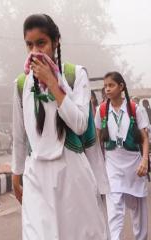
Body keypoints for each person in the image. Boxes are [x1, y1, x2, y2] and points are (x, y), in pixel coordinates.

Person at [11, 14, 109, 239]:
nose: (35, 50)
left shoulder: (75, 75)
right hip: (36, 176)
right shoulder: (20, 84)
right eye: (29, 45)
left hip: (72, 174)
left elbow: (81, 124)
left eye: (41, 43)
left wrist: (54, 83)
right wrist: (16, 174)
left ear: (56, 42)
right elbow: (19, 136)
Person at [95, 72, 150, 240]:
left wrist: (144, 160)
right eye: (105, 86)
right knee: (114, 209)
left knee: (137, 210)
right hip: (113, 166)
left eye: (111, 85)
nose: (107, 89)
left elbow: (144, 138)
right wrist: (98, 164)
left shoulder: (135, 109)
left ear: (121, 86)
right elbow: (97, 138)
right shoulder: (102, 110)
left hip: (134, 166)